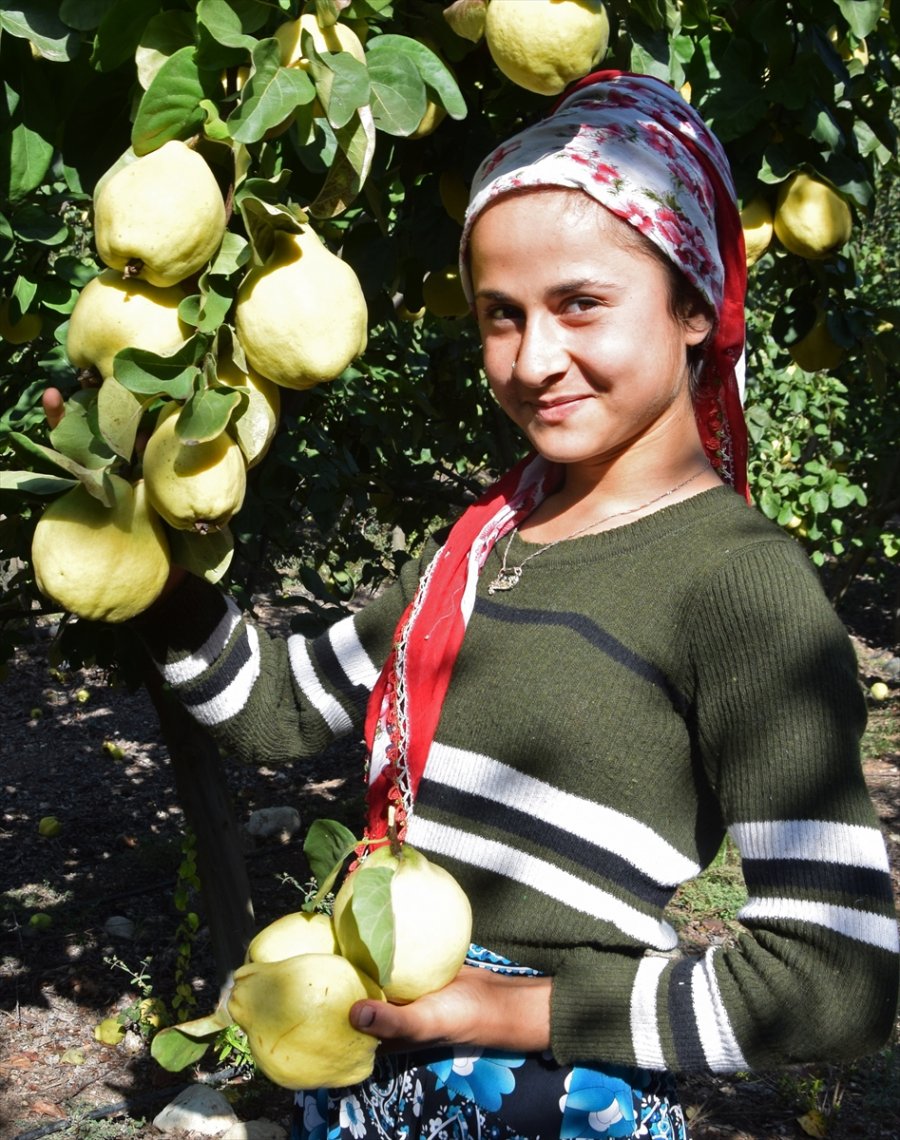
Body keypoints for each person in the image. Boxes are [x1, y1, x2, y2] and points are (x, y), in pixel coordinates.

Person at [46, 71, 898, 1139]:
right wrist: (140, 569)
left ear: (694, 306)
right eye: (501, 315)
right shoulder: (480, 546)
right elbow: (284, 708)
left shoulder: (738, 583)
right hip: (373, 1080)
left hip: (552, 1100)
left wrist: (520, 1011)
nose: (535, 359)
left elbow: (841, 976)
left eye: (582, 303)